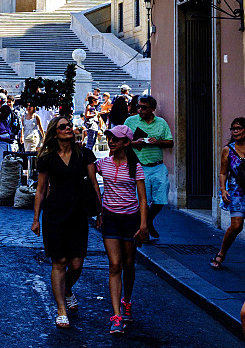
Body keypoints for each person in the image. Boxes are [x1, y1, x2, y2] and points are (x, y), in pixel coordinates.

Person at [31, 114, 102, 329]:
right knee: (59, 261)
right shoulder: (47, 158)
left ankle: (67, 289)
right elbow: (41, 189)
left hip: (78, 213)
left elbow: (93, 183)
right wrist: (36, 219)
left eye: (69, 125)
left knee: (77, 264)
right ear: (55, 133)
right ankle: (61, 309)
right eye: (63, 126)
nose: (68, 128)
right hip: (55, 214)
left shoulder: (84, 154)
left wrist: (100, 211)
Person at [96, 125, 149, 335]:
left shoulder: (135, 166)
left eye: (115, 139)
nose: (111, 142)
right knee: (115, 265)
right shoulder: (103, 164)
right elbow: (86, 171)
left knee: (128, 264)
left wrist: (144, 224)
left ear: (126, 143)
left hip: (130, 219)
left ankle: (127, 300)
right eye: (109, 138)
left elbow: (143, 198)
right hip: (110, 218)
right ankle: (117, 316)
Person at [125, 95, 173, 239]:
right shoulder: (130, 121)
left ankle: (148, 220)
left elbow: (170, 142)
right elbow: (122, 141)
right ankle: (143, 229)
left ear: (152, 109)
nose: (140, 110)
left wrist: (157, 142)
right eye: (138, 106)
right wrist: (135, 142)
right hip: (140, 166)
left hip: (158, 165)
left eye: (143, 107)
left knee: (161, 198)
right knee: (142, 200)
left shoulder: (161, 123)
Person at [211, 117, 245, 269]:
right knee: (236, 226)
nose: (235, 131)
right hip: (237, 191)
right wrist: (223, 189)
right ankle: (222, 252)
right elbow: (223, 173)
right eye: (233, 128)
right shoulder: (228, 149)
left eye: (238, 128)